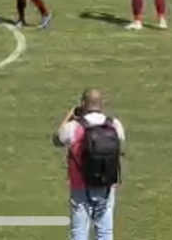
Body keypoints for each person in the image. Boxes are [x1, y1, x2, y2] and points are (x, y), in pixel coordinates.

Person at [53, 88, 126, 240]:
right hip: (106, 185)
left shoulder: (74, 127)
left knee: (79, 232)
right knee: (105, 232)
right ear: (101, 104)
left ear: (83, 104)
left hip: (80, 186)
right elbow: (119, 143)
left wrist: (69, 116)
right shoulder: (114, 124)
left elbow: (57, 140)